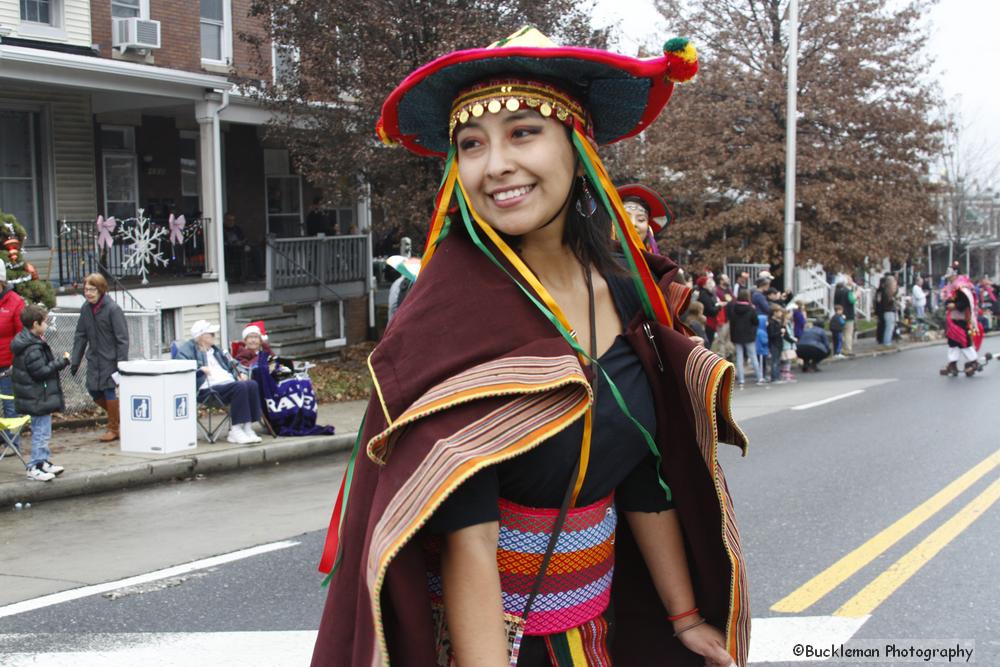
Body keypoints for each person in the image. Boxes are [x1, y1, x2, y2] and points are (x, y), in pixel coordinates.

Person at [312, 28, 749, 667]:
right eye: (471, 145)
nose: (495, 166)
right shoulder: (450, 320)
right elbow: (469, 541)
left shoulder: (630, 298)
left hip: (596, 635)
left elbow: (643, 472)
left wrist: (684, 619)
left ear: (578, 147)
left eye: (523, 132)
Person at [175, 320, 264, 444]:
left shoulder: (216, 350)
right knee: (240, 387)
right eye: (211, 334)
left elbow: (234, 364)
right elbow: (181, 368)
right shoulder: (188, 350)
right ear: (201, 336)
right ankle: (236, 430)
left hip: (228, 385)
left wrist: (241, 373)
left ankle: (247, 428)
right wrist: (200, 370)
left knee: (252, 384)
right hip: (208, 389)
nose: (214, 336)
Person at [11, 305, 70, 482]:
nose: (46, 325)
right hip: (38, 397)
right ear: (36, 324)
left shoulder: (28, 341)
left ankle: (43, 461)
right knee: (41, 432)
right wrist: (62, 362)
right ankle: (34, 466)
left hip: (36, 396)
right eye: (44, 322)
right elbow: (40, 372)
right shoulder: (33, 347)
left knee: (43, 430)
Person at [70, 273, 129, 442]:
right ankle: (121, 419)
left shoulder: (113, 309)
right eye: (86, 289)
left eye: (92, 289)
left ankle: (114, 428)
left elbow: (122, 339)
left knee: (109, 391)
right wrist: (76, 360)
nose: (88, 293)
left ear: (101, 289)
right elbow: (80, 336)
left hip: (111, 360)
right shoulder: (85, 309)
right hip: (94, 359)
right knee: (93, 390)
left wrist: (121, 363)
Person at [0, 262, 26, 453]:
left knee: (10, 406)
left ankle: (13, 444)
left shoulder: (15, 302)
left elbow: (22, 335)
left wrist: (16, 362)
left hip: (7, 365)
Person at [939, 275, 983, 377]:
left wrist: (955, 305)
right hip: (952, 320)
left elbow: (965, 303)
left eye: (950, 277)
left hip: (962, 319)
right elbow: (949, 300)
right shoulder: (953, 289)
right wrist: (948, 304)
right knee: (953, 343)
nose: (949, 280)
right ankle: (952, 363)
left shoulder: (962, 288)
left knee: (964, 342)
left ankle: (973, 361)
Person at [616, 183, 672, 255]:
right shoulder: (598, 262)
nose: (633, 224)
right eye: (625, 218)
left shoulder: (656, 265)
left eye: (641, 219)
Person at [726, 288, 762, 387]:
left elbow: (731, 322)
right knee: (753, 356)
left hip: (737, 335)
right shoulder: (751, 309)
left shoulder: (733, 308)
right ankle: (759, 377)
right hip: (749, 335)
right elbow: (756, 322)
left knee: (739, 357)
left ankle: (741, 379)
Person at [833, 277, 856, 355]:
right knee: (848, 333)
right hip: (849, 314)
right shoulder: (848, 291)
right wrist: (856, 296)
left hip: (839, 315)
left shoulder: (837, 291)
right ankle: (847, 349)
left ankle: (840, 348)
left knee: (841, 333)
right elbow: (852, 300)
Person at [767, 304, 784, 382]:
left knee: (777, 360)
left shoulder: (777, 322)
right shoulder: (771, 322)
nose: (781, 314)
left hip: (778, 343)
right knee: (775, 361)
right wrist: (780, 332)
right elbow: (771, 334)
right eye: (779, 312)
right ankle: (774, 377)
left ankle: (777, 375)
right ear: (775, 312)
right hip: (774, 343)